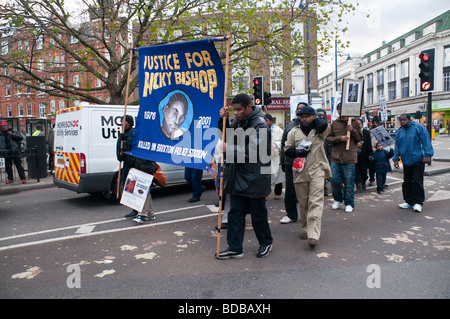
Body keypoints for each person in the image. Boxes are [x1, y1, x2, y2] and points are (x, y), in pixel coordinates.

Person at [216, 93, 273, 259]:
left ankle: (266, 242)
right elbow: (228, 135)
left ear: (249, 107)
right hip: (238, 175)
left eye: (239, 109)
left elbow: (257, 152)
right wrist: (223, 120)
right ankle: (235, 247)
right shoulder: (237, 121)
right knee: (235, 214)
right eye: (234, 110)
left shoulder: (260, 125)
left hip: (256, 177)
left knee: (258, 215)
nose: (236, 113)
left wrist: (230, 149)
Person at [284, 106, 330, 248]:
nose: (304, 119)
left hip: (317, 170)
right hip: (300, 171)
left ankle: (314, 235)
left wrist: (318, 120)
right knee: (304, 203)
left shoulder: (319, 131)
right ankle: (306, 228)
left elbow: (326, 128)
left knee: (315, 202)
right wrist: (297, 152)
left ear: (313, 116)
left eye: (307, 116)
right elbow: (287, 149)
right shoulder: (293, 132)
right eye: (301, 116)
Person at [393, 114, 434, 213]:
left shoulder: (418, 127)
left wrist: (427, 155)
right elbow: (397, 146)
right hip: (406, 160)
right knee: (407, 181)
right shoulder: (399, 131)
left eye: (404, 120)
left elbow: (426, 141)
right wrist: (396, 159)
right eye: (401, 120)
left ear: (409, 119)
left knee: (417, 181)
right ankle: (409, 201)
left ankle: (418, 202)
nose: (402, 122)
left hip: (418, 159)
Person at [326, 103, 363, 213]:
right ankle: (337, 199)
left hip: (349, 157)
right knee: (334, 180)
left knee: (349, 182)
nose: (341, 111)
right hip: (336, 157)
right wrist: (339, 138)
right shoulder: (334, 124)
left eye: (342, 109)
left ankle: (349, 203)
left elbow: (360, 139)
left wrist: (353, 130)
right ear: (337, 111)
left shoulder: (354, 122)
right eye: (339, 109)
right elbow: (329, 138)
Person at [279, 102, 307, 224]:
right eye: (298, 108)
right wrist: (283, 162)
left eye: (302, 109)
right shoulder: (290, 126)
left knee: (306, 190)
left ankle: (307, 216)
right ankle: (291, 214)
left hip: (307, 164)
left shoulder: (313, 126)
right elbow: (283, 144)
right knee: (290, 190)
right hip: (291, 163)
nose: (299, 110)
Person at [116, 115, 136, 216]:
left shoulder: (134, 133)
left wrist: (127, 139)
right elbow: (119, 149)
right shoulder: (123, 134)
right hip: (127, 165)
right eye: (121, 122)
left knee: (134, 188)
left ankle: (136, 210)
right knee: (128, 188)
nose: (122, 124)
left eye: (124, 122)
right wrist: (120, 155)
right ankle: (135, 209)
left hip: (134, 165)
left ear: (129, 123)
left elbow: (134, 147)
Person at [264, 113, 285, 200]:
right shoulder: (260, 130)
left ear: (271, 122)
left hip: (276, 156)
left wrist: (275, 145)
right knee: (265, 176)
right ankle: (265, 194)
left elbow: (282, 141)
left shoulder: (278, 130)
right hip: (265, 157)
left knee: (278, 176)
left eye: (267, 121)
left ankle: (278, 193)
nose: (265, 123)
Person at [131, 157, 158, 224]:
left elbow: (152, 168)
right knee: (147, 195)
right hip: (140, 177)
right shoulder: (139, 155)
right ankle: (150, 213)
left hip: (146, 178)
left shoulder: (148, 155)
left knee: (144, 195)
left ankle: (142, 215)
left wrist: (140, 167)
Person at [316, 108, 332, 196]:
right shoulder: (315, 127)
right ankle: (323, 187)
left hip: (328, 152)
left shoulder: (329, 127)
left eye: (322, 115)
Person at [355, 118, 373, 193]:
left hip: (364, 154)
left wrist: (370, 154)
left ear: (362, 124)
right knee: (356, 171)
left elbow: (369, 144)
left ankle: (363, 183)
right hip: (355, 155)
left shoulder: (366, 132)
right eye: (357, 124)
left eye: (359, 124)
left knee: (363, 170)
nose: (358, 125)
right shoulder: (353, 132)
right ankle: (359, 186)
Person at [368, 116, 380, 186]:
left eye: (377, 122)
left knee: (379, 166)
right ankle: (372, 179)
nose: (375, 124)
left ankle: (381, 181)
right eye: (374, 122)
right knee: (371, 167)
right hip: (372, 150)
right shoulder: (370, 131)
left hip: (378, 149)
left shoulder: (380, 130)